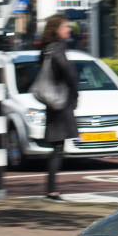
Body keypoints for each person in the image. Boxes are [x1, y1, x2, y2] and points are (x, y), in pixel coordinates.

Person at [39, 15, 79, 201]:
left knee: (57, 146)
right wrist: (76, 92)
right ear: (56, 29)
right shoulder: (57, 48)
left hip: (52, 101)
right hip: (60, 102)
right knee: (58, 147)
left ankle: (52, 188)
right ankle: (52, 190)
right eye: (66, 27)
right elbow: (68, 72)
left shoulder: (45, 48)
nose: (68, 30)